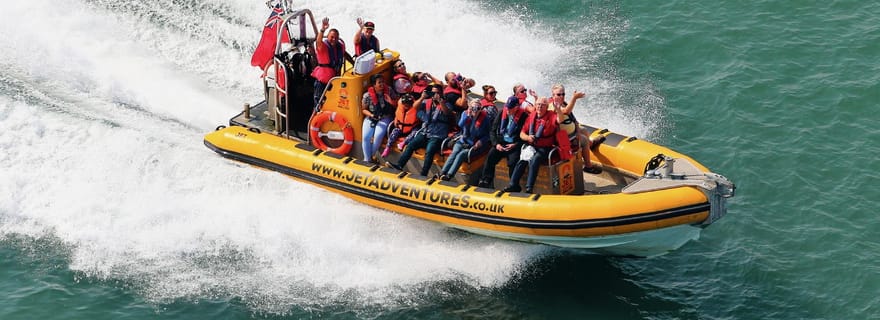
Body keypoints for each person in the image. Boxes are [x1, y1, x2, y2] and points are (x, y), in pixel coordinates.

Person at [503, 97, 571, 194]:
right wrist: (528, 138)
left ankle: (529, 188)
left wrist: (558, 109)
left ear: (546, 107)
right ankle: (513, 184)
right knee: (522, 160)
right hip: (532, 145)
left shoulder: (551, 116)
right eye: (538, 104)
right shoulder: (531, 116)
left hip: (545, 147)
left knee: (535, 159)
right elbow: (522, 134)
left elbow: (559, 120)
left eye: (542, 105)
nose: (539, 107)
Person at [389, 85, 455, 176]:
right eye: (433, 93)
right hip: (425, 132)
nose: (435, 95)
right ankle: (400, 165)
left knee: (430, 150)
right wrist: (422, 97)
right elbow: (414, 107)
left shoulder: (446, 104)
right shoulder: (426, 102)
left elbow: (447, 113)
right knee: (410, 145)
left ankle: (424, 174)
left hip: (437, 135)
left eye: (437, 93)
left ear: (441, 93)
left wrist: (440, 101)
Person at [476, 89, 530, 188]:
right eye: (507, 107)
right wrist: (496, 144)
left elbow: (525, 134)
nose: (508, 110)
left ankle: (513, 185)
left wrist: (516, 144)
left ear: (517, 107)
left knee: (513, 162)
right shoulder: (502, 113)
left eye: (510, 108)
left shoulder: (524, 116)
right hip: (501, 142)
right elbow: (492, 130)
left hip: (514, 144)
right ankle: (486, 180)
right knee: (491, 156)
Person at [548, 84, 601, 174]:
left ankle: (590, 144)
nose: (561, 96)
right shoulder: (553, 106)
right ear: (553, 95)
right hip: (565, 138)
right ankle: (588, 166)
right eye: (558, 94)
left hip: (572, 133)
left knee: (583, 130)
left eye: (563, 94)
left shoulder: (564, 103)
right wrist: (574, 98)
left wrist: (577, 130)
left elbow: (573, 119)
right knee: (584, 140)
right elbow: (566, 111)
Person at [438, 99, 492, 181]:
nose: (475, 111)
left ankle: (449, 175)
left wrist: (480, 142)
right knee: (455, 152)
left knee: (461, 155)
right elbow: (460, 125)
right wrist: (468, 116)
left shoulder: (485, 119)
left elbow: (488, 135)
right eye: (473, 108)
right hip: (463, 141)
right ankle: (443, 172)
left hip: (474, 145)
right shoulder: (465, 114)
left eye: (478, 108)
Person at [312, 17, 353, 109]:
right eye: (332, 37)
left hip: (335, 81)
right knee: (319, 105)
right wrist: (322, 30)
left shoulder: (339, 46)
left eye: (336, 37)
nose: (334, 39)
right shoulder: (323, 47)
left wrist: (354, 63)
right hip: (322, 83)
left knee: (333, 103)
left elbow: (345, 54)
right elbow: (318, 42)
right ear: (328, 37)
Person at [361, 74, 395, 162]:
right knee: (365, 137)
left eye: (383, 82)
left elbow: (397, 104)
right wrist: (372, 115)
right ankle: (367, 159)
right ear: (374, 85)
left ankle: (369, 158)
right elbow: (364, 110)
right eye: (379, 82)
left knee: (378, 136)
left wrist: (390, 101)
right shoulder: (367, 96)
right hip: (372, 117)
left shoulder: (389, 91)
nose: (382, 84)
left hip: (385, 117)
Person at [381, 93, 420, 157]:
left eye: (408, 104)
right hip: (400, 126)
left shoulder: (416, 108)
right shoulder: (400, 106)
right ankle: (387, 148)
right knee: (394, 132)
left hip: (411, 128)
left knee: (415, 132)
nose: (406, 106)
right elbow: (397, 114)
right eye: (405, 104)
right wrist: (396, 119)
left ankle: (403, 143)